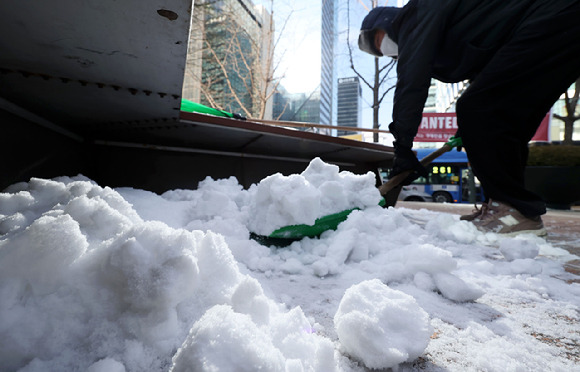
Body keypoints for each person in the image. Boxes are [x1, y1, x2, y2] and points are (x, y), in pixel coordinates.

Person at [359, 1, 580, 236]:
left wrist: (402, 146)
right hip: (560, 25)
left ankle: (513, 210)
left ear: (385, 22)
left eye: (377, 41)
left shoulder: (414, 17)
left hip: (553, 18)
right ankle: (510, 209)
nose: (383, 50)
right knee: (505, 122)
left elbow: (411, 83)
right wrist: (468, 127)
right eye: (377, 52)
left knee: (477, 109)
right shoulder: (450, 30)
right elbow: (488, 74)